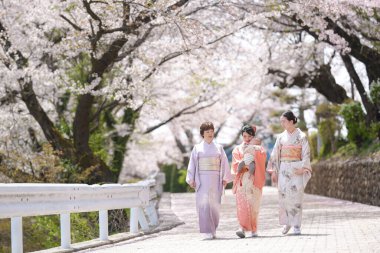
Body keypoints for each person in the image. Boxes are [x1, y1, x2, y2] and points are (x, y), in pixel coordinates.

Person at [268, 110, 312, 235]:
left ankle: (297, 225)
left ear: (292, 121)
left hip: (297, 168)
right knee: (284, 196)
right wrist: (274, 171)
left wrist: (303, 168)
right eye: (281, 121)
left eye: (284, 121)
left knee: (296, 196)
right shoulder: (281, 137)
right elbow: (275, 154)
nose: (282, 124)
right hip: (283, 168)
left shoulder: (301, 136)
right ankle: (287, 223)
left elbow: (306, 154)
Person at [186, 121, 232, 240]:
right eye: (207, 132)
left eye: (212, 131)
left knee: (214, 205)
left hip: (215, 178)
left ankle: (213, 229)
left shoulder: (219, 148)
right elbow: (192, 165)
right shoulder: (197, 148)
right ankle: (207, 230)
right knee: (204, 205)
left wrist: (225, 178)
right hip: (202, 179)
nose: (210, 133)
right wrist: (191, 179)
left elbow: (224, 163)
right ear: (202, 134)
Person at [231, 125, 267, 238]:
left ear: (253, 136)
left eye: (250, 136)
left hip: (253, 178)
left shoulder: (259, 148)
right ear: (242, 135)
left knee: (254, 204)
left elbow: (261, 161)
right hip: (242, 179)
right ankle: (241, 227)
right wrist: (243, 164)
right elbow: (236, 164)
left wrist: (253, 161)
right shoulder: (237, 149)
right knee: (242, 204)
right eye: (245, 136)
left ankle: (254, 228)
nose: (247, 138)